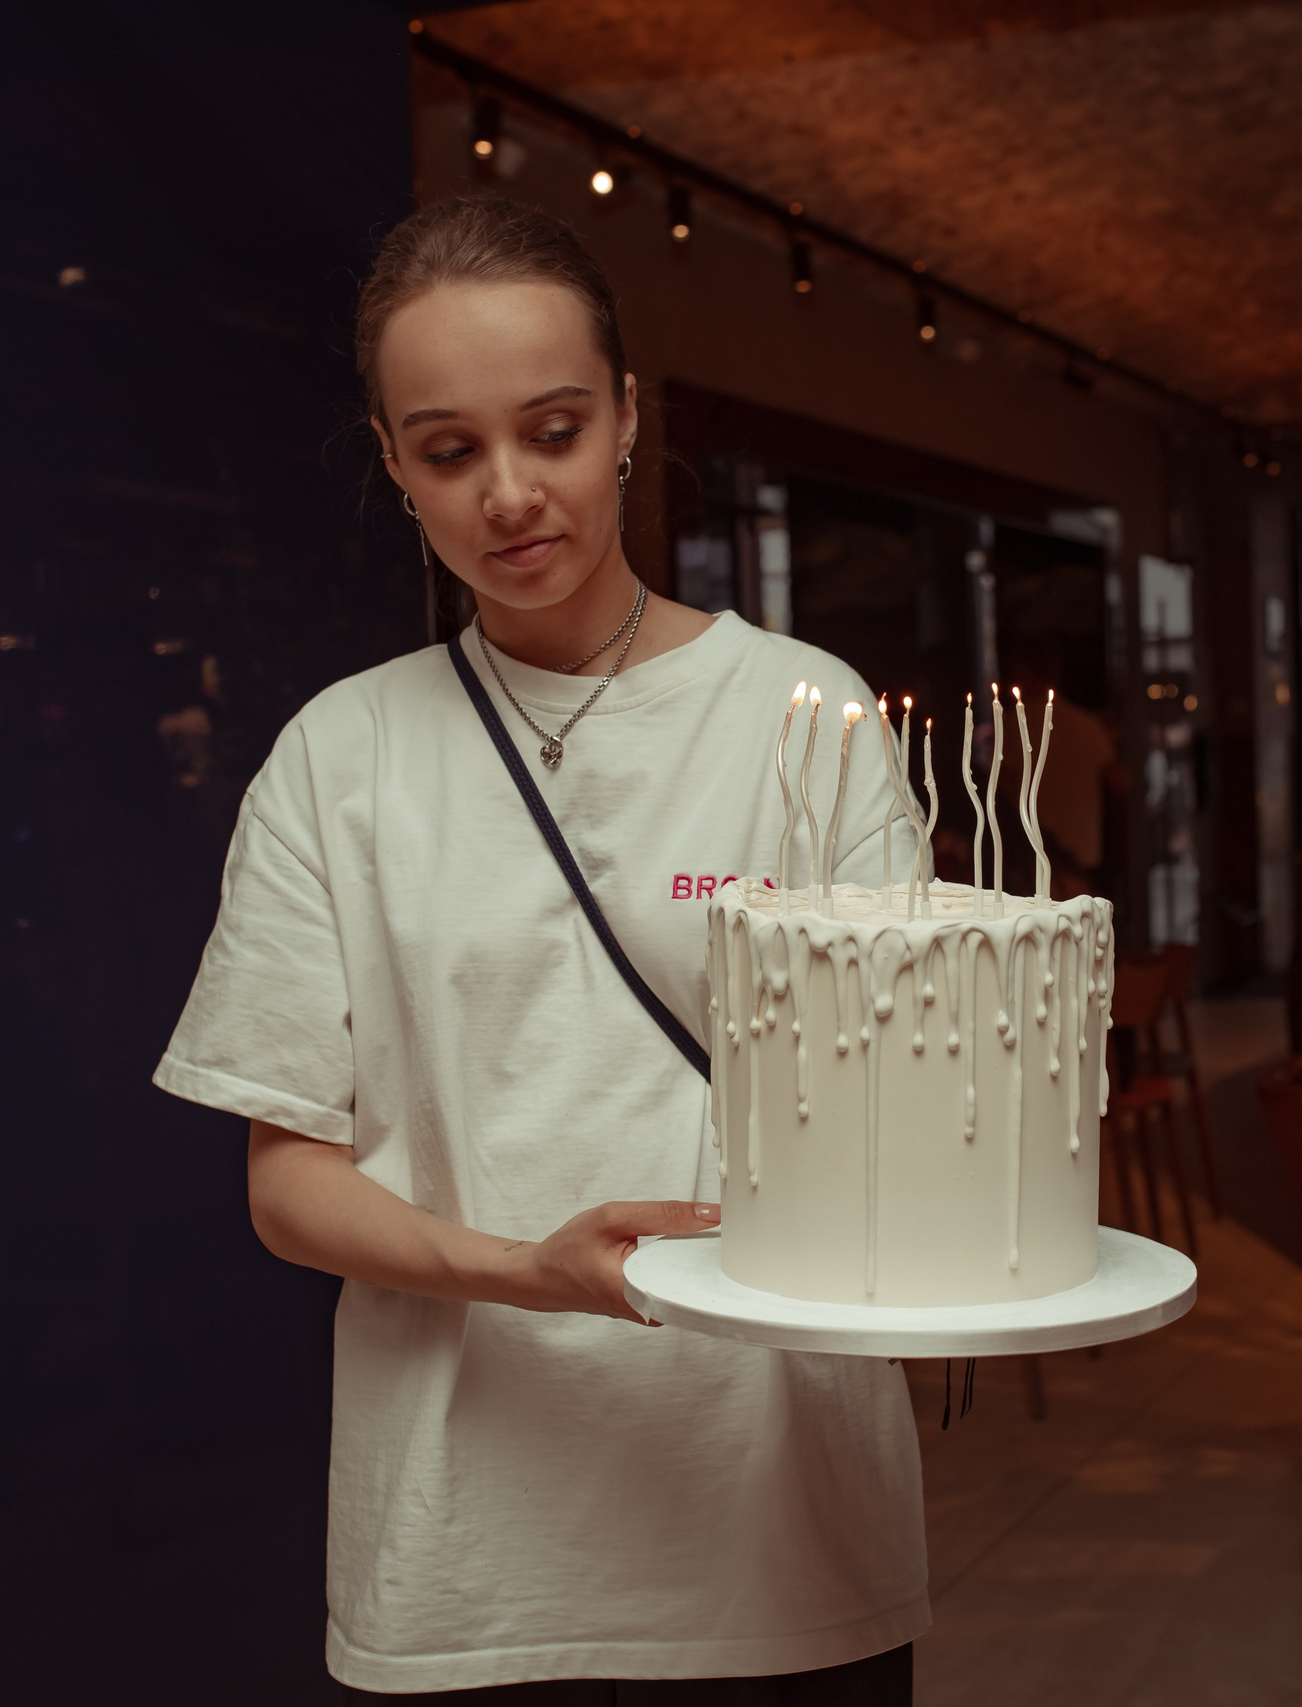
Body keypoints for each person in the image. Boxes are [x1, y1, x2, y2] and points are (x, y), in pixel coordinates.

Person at [153, 193, 924, 1700]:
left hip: (780, 1520)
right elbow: (290, 1182)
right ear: (393, 464)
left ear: (631, 417)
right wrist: (533, 1270)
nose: (510, 492)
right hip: (466, 1554)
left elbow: (902, 1095)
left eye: (554, 429)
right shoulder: (342, 755)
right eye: (449, 450)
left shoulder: (804, 717)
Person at [1004, 636, 1125, 899]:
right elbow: (1119, 781)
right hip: (1082, 848)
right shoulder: (1087, 726)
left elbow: (1004, 787)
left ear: (1023, 671)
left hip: (1034, 849)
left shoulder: (1013, 726)